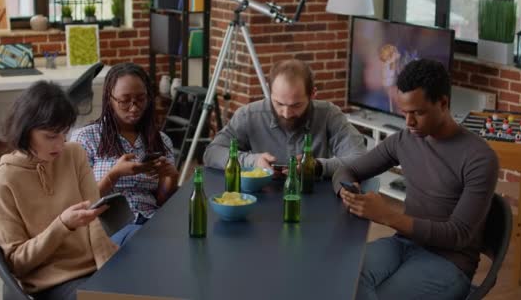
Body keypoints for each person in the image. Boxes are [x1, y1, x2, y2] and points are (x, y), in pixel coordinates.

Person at [333, 59, 499, 299]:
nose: (409, 122)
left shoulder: (480, 158)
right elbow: (346, 171)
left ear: (443, 103)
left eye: (418, 113)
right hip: (404, 244)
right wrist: (347, 192)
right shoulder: (405, 140)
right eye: (404, 113)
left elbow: (457, 235)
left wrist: (387, 215)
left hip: (449, 262)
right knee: (344, 276)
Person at [0, 81, 117, 300]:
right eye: (50, 136)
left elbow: (96, 219)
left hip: (97, 268)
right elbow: (17, 263)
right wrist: (62, 225)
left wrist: (110, 272)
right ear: (25, 130)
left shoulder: (74, 154)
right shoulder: (3, 183)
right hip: (53, 283)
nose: (60, 144)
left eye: (64, 133)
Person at [71, 62, 178, 245]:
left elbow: (162, 201)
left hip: (152, 221)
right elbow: (79, 202)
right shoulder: (86, 138)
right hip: (109, 224)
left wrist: (171, 177)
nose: (134, 107)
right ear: (109, 99)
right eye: (124, 100)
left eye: (141, 99)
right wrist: (114, 174)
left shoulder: (161, 140)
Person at [203, 59, 366, 179]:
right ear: (269, 92)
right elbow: (212, 153)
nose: (286, 113)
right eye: (279, 103)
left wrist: (317, 166)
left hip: (315, 198)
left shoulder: (329, 114)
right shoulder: (249, 115)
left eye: (296, 105)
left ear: (313, 94)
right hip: (261, 199)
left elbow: (361, 159)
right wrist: (252, 161)